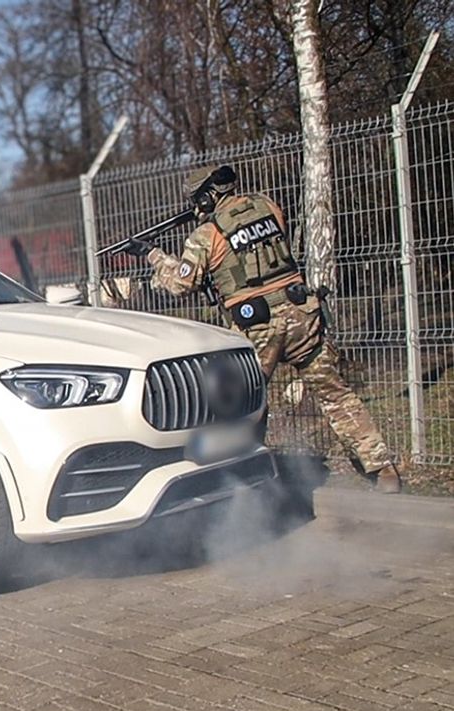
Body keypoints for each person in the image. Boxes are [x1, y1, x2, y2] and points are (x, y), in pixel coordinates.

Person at [131, 166, 401, 493]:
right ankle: (382, 469)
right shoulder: (269, 206)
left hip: (258, 326)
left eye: (197, 199)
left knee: (239, 405)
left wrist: (153, 255)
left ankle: (241, 480)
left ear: (206, 196)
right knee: (335, 392)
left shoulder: (207, 234)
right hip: (302, 314)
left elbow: (180, 284)